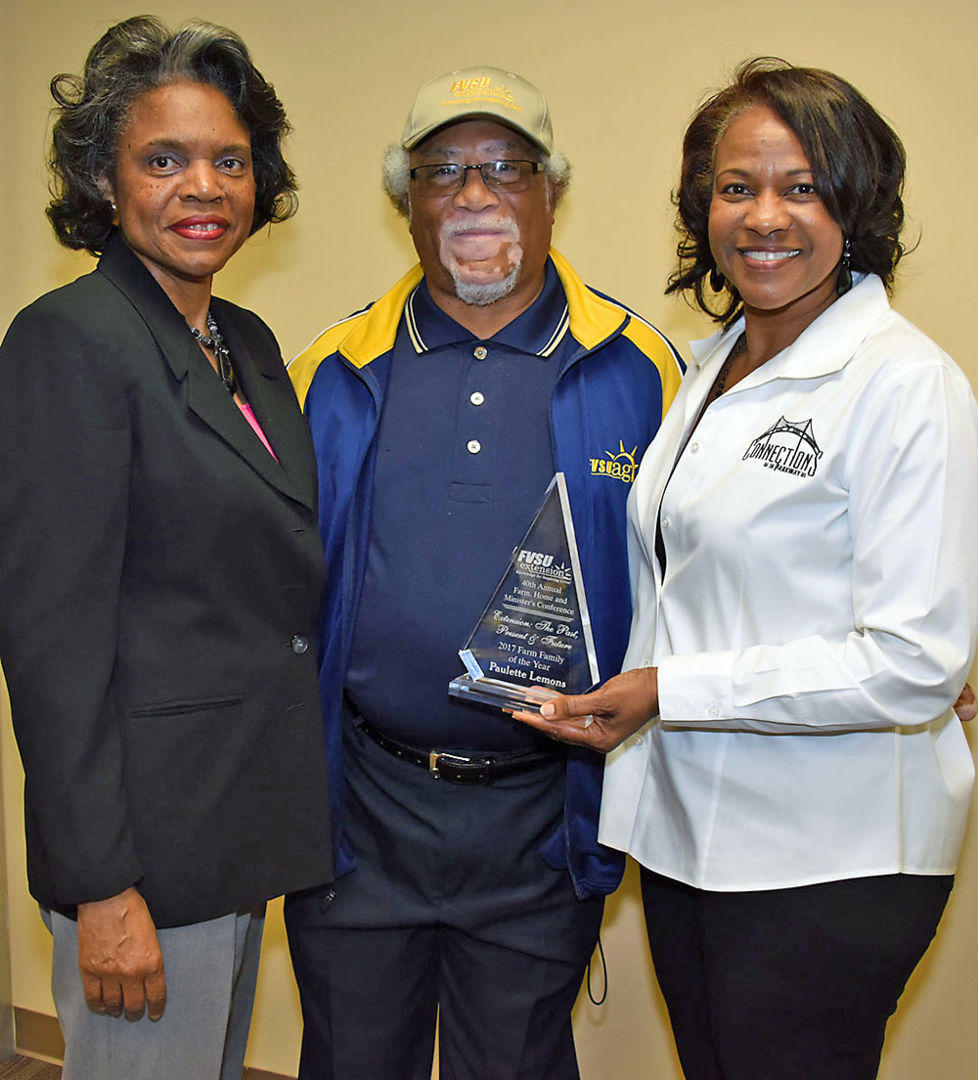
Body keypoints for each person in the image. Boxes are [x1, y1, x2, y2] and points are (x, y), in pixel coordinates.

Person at [515, 57, 978, 1079]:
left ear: (856, 206)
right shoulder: (710, 367)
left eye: (802, 186)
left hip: (832, 856)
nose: (765, 216)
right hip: (695, 844)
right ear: (702, 208)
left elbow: (912, 662)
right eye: (737, 188)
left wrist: (665, 691)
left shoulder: (906, 386)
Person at [285, 66, 683, 1079]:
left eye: (506, 168)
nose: (473, 195)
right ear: (403, 203)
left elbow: (724, 560)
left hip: (540, 825)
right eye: (441, 172)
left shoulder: (646, 368)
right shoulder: (330, 371)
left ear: (551, 190)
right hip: (359, 817)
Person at [0, 17, 332, 1080]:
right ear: (104, 177)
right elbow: (54, 643)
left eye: (229, 161)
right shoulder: (70, 340)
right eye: (165, 160)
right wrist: (100, 889)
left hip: (236, 828)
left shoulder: (246, 342)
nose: (205, 187)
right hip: (143, 862)